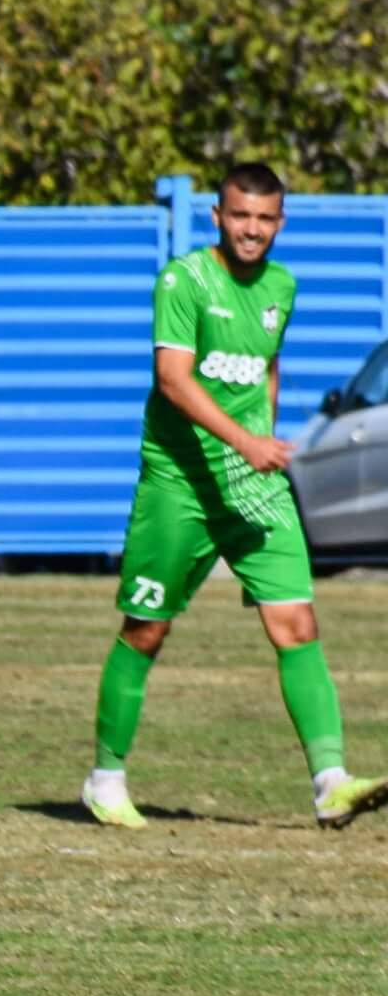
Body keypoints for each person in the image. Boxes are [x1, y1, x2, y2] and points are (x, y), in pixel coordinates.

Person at [83, 161, 386, 831]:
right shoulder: (183, 281)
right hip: (179, 483)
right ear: (217, 217)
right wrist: (245, 441)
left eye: (265, 218)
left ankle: (330, 782)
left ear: (280, 222)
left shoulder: (283, 286)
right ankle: (105, 777)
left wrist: (264, 438)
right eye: (240, 216)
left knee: (297, 624)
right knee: (146, 629)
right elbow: (173, 380)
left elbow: (267, 365)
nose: (252, 230)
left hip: (252, 487)